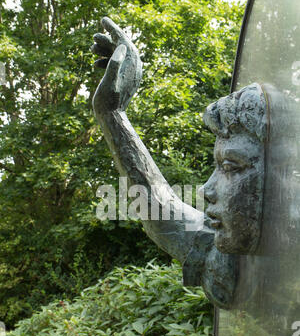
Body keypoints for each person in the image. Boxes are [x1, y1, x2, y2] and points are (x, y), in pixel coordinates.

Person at [91, 17, 269, 309]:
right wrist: (111, 114)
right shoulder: (233, 256)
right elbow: (164, 214)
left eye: (231, 167)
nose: (206, 190)